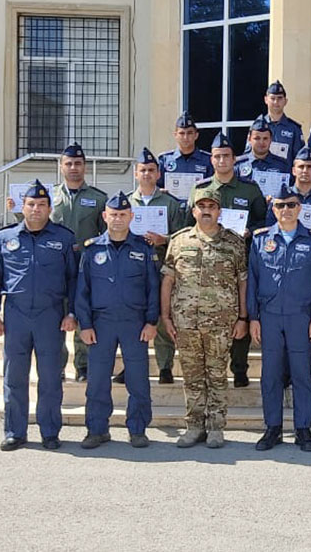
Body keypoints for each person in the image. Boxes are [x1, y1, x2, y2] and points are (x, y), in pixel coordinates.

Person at [0, 180, 77, 451]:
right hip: (16, 314)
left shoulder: (63, 238)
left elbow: (74, 280)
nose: (36, 209)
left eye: (41, 204)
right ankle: (15, 432)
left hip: (51, 316)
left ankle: (50, 432)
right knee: (14, 377)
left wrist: (72, 312)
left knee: (50, 378)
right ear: (22, 207)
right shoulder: (5, 238)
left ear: (50, 208)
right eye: (31, 204)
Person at [7, 142, 107, 382]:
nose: (73, 168)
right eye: (69, 163)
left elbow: (105, 234)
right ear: (61, 167)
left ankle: (83, 365)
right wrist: (17, 212)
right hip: (55, 266)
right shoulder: (50, 196)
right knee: (57, 317)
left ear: (85, 167)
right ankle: (58, 365)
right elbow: (36, 223)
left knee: (83, 315)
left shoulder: (98, 198)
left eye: (78, 163)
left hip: (85, 267)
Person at [161, 187, 249, 449]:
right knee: (192, 376)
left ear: (219, 211)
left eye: (211, 206)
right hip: (186, 322)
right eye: (202, 207)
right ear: (193, 211)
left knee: (217, 375)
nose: (206, 211)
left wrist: (243, 318)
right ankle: (194, 426)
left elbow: (242, 282)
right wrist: (165, 316)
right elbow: (168, 280)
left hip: (221, 323)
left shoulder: (234, 243)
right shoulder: (179, 241)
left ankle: (216, 428)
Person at [75, 192, 160, 450]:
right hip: (101, 324)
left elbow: (153, 288)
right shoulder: (92, 249)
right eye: (113, 214)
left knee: (138, 380)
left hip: (135, 323)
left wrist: (152, 321)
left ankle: (138, 430)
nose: (118, 219)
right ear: (105, 216)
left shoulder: (143, 248)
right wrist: (85, 324)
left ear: (131, 216)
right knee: (98, 381)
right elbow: (82, 290)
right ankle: (97, 429)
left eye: (123, 214)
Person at [247, 185, 311, 452]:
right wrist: (253, 317)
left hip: (300, 317)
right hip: (269, 317)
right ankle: (273, 428)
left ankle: (303, 429)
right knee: (270, 375)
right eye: (281, 205)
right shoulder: (260, 240)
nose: (286, 210)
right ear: (274, 209)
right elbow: (253, 280)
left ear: (299, 208)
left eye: (291, 205)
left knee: (302, 374)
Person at [188, 133, 267, 388]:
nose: (222, 160)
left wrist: (250, 231)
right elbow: (189, 223)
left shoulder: (249, 189)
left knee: (241, 311)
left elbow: (262, 220)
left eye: (226, 156)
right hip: (207, 262)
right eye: (217, 156)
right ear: (211, 160)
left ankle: (240, 367)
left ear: (235, 159)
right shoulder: (200, 190)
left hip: (240, 258)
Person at [119, 147, 187, 385]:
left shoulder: (170, 203)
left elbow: (181, 236)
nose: (147, 174)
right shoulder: (127, 202)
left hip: (161, 266)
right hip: (133, 268)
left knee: (162, 314)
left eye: (151, 170)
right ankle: (130, 365)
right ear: (136, 174)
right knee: (133, 317)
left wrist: (163, 239)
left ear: (158, 174)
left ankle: (165, 366)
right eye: (143, 170)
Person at [251, 80, 305, 168]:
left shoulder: (294, 129)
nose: (276, 102)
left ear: (285, 101)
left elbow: (300, 158)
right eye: (272, 98)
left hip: (284, 174)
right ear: (266, 100)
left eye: (279, 98)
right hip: (260, 173)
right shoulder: (256, 127)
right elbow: (249, 153)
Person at [156, 111, 213, 188]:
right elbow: (156, 186)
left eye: (189, 133)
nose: (186, 137)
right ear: (175, 135)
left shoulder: (207, 160)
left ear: (196, 135)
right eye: (182, 133)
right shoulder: (164, 160)